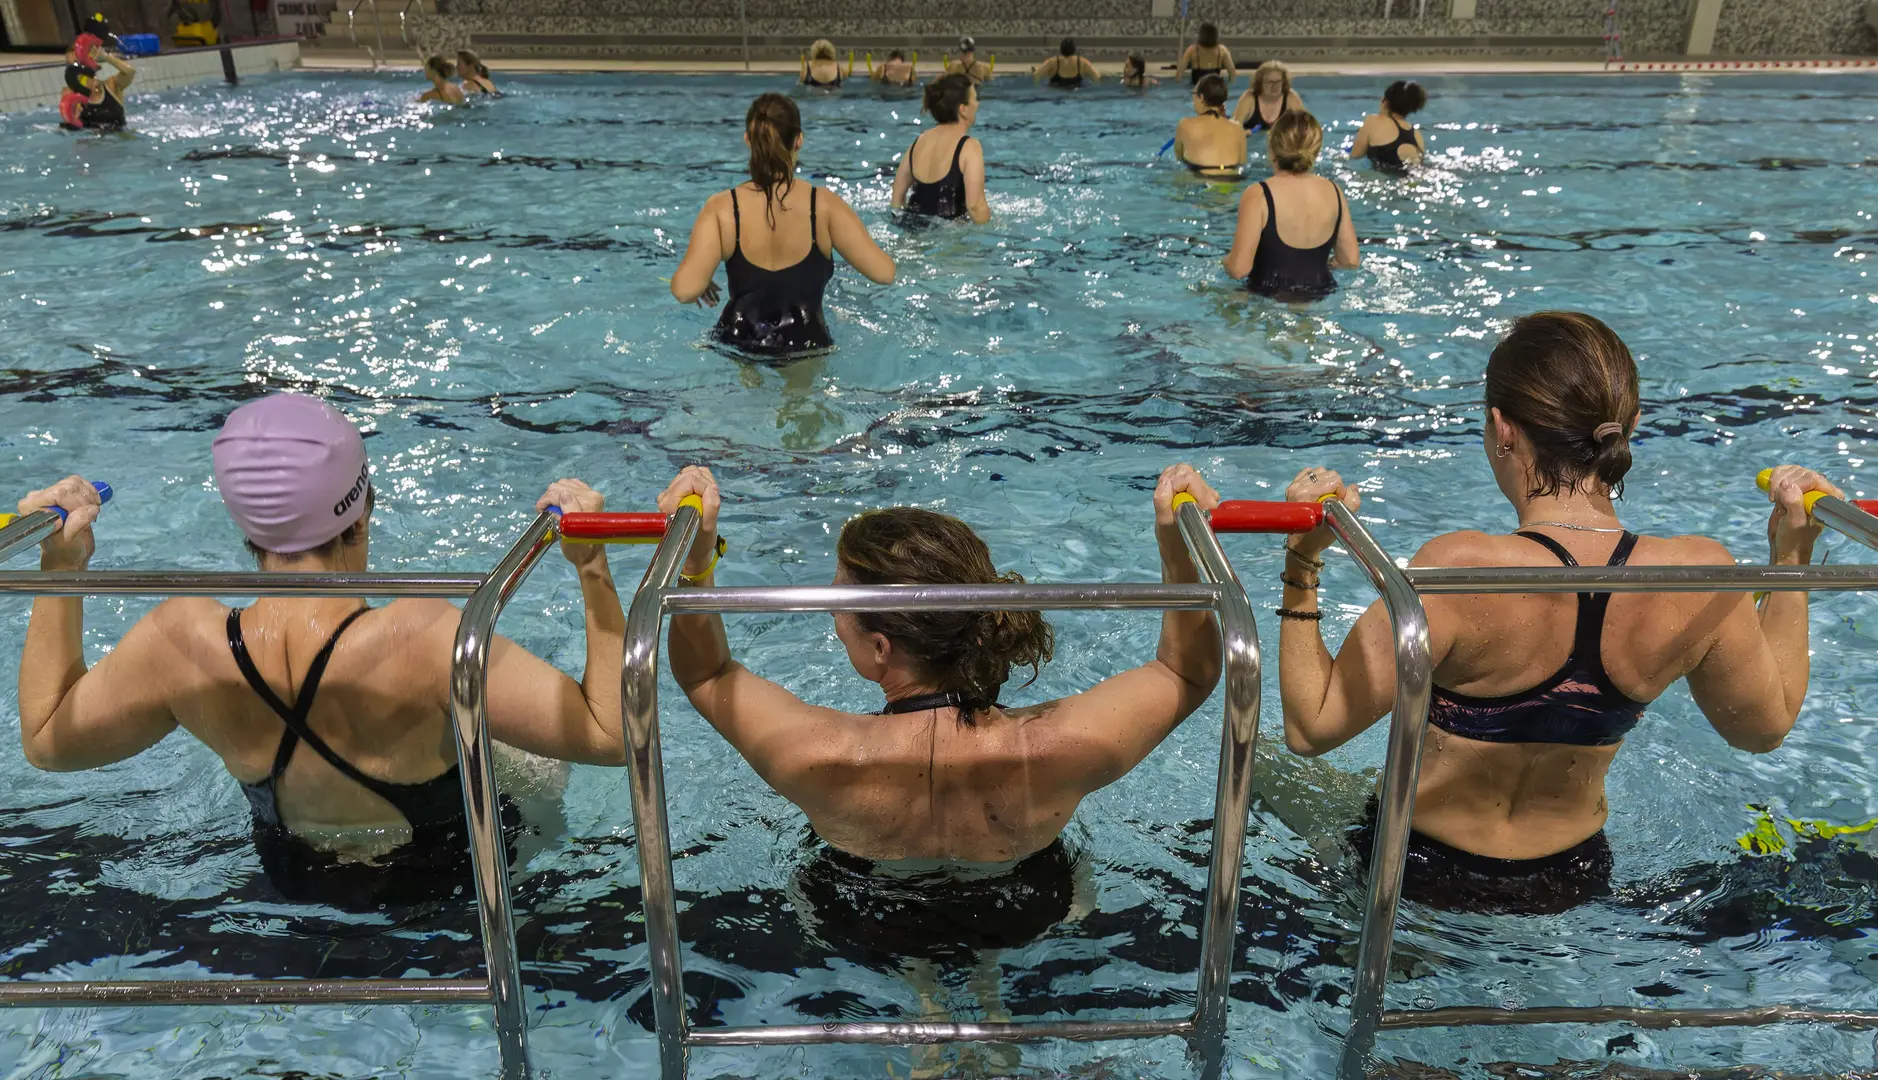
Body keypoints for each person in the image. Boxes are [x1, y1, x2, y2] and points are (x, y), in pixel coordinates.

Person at [1277, 311, 1840, 914]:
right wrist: (1791, 559)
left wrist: (1301, 561)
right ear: (1632, 427)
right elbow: (1763, 728)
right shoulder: (1699, 575)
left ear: (1501, 430)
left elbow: (1312, 726)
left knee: (1266, 768)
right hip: (1573, 880)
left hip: (1418, 870)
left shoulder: (1462, 567)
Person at [12, 393, 635, 911]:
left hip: (295, 882)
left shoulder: (178, 641)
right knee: (522, 750)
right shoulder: (423, 637)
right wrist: (593, 568)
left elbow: (47, 740)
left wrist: (59, 568)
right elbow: (612, 733)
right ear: (361, 512)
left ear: (247, 528)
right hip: (455, 888)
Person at [658, 461, 1223, 867]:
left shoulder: (819, 755)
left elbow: (707, 674)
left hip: (864, 924)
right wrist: (1177, 545)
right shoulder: (1057, 748)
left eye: (839, 605)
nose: (832, 619)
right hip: (1027, 913)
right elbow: (1184, 673)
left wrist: (698, 554)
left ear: (881, 648)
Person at [671, 94, 896, 358]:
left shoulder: (722, 207)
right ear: (798, 140)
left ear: (748, 140)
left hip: (738, 341)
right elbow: (884, 273)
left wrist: (702, 276)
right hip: (806, 343)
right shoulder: (823, 206)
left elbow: (685, 290)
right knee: (801, 398)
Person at [1223, 111, 1359, 302]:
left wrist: (1224, 262)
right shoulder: (1334, 191)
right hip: (1320, 295)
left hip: (1267, 299)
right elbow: (1350, 261)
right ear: (1316, 150)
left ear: (1272, 148)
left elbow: (1239, 269)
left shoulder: (1259, 194)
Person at [891, 74, 989, 224]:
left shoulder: (919, 141)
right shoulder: (969, 146)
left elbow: (897, 199)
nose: (978, 104)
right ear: (962, 109)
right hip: (949, 239)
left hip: (912, 229)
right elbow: (975, 206)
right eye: (975, 99)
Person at [1173, 74, 1247, 179]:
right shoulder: (1238, 128)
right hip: (1232, 180)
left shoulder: (1185, 124)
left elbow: (1179, 158)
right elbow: (1242, 163)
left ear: (1201, 97)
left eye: (1194, 94)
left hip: (1199, 179)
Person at [1351, 79, 1426, 173]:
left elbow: (1355, 156)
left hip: (1385, 176)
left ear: (1385, 101)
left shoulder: (1372, 121)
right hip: (1416, 174)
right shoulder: (1417, 134)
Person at [57, 50, 133, 133]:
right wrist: (72, 119)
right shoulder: (70, 96)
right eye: (69, 65)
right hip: (91, 142)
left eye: (78, 63)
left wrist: (105, 57)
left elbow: (130, 72)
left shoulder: (111, 87)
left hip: (121, 138)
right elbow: (69, 131)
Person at [1233, 60, 1304, 134]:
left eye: (1278, 81)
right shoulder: (1249, 98)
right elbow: (1233, 128)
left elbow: (1307, 126)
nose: (1274, 86)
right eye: (1270, 82)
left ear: (1284, 82)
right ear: (1260, 83)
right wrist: (1242, 133)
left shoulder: (1290, 97)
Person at [1176, 22, 1234, 89]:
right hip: (1215, 89)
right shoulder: (1222, 50)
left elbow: (1179, 74)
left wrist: (1177, 84)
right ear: (1216, 36)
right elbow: (1232, 73)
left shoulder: (1192, 50)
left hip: (1196, 88)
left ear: (1200, 36)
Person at [1033, 38, 1099, 88]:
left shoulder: (1052, 61)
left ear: (1061, 49)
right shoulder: (1083, 62)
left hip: (1056, 90)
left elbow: (1037, 74)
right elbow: (1096, 77)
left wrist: (1037, 86)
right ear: (1074, 49)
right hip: (1076, 90)